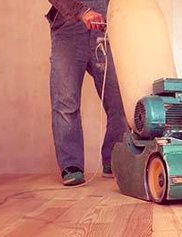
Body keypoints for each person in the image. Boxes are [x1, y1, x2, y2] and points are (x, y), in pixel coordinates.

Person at [46, 0, 127, 186]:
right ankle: (71, 165)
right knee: (65, 101)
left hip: (106, 25)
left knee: (120, 99)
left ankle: (114, 159)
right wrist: (82, 11)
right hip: (69, 28)